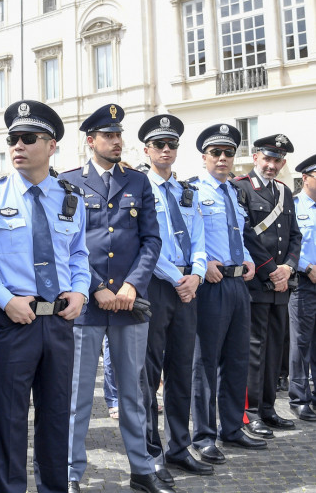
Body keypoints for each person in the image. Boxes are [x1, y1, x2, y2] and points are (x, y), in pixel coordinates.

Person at [0, 100, 90, 493]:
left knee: (55, 418)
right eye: (12, 139)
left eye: (28, 138)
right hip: (13, 320)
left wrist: (81, 290)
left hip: (58, 322)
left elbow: (79, 254)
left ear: (51, 145)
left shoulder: (71, 198)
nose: (17, 145)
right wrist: (5, 300)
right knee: (8, 420)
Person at [58, 104, 168, 493]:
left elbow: (152, 239)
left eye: (119, 135)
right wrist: (96, 288)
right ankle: (71, 473)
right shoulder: (69, 182)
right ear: (91, 141)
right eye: (108, 135)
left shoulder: (138, 182)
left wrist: (132, 285)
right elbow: (68, 243)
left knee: (135, 394)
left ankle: (142, 470)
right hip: (87, 305)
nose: (117, 141)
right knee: (78, 397)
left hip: (129, 304)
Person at [137, 115, 212, 479]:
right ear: (147, 150)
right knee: (149, 374)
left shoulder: (189, 191)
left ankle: (180, 447)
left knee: (181, 369)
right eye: (159, 145)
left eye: (172, 145)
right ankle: (151, 452)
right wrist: (179, 276)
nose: (166, 150)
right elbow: (146, 243)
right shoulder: (139, 188)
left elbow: (198, 238)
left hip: (187, 288)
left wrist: (196, 273)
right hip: (156, 285)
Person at [189, 124, 266, 466]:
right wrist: (201, 263)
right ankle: (204, 435)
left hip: (238, 284)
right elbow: (190, 236)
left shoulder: (233, 193)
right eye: (216, 153)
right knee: (205, 362)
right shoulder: (191, 191)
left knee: (236, 359)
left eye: (228, 153)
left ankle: (232, 427)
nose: (222, 158)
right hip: (212, 284)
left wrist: (249, 261)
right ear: (204, 157)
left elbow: (240, 235)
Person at [233, 134, 302, 437]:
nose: (272, 165)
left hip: (281, 285)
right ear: (256, 157)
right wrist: (271, 270)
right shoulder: (241, 188)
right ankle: (249, 412)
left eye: (278, 160)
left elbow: (295, 236)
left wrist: (288, 267)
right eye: (268, 158)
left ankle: (268, 408)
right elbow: (245, 234)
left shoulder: (285, 192)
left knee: (275, 348)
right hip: (257, 284)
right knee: (254, 350)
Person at [287, 154, 316, 421]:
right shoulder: (294, 207)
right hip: (304, 281)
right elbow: (290, 245)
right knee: (301, 342)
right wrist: (307, 267)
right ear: (305, 178)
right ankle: (299, 397)